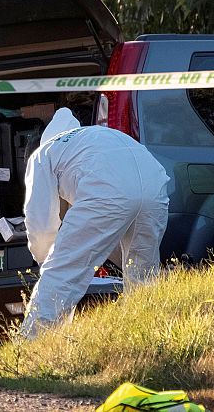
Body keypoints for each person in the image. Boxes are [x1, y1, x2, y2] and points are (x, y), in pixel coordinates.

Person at [20, 108, 170, 338]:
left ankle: (32, 348)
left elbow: (39, 224)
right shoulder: (97, 136)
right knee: (143, 274)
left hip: (108, 191)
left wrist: (46, 259)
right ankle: (149, 339)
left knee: (60, 273)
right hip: (155, 188)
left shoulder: (43, 154)